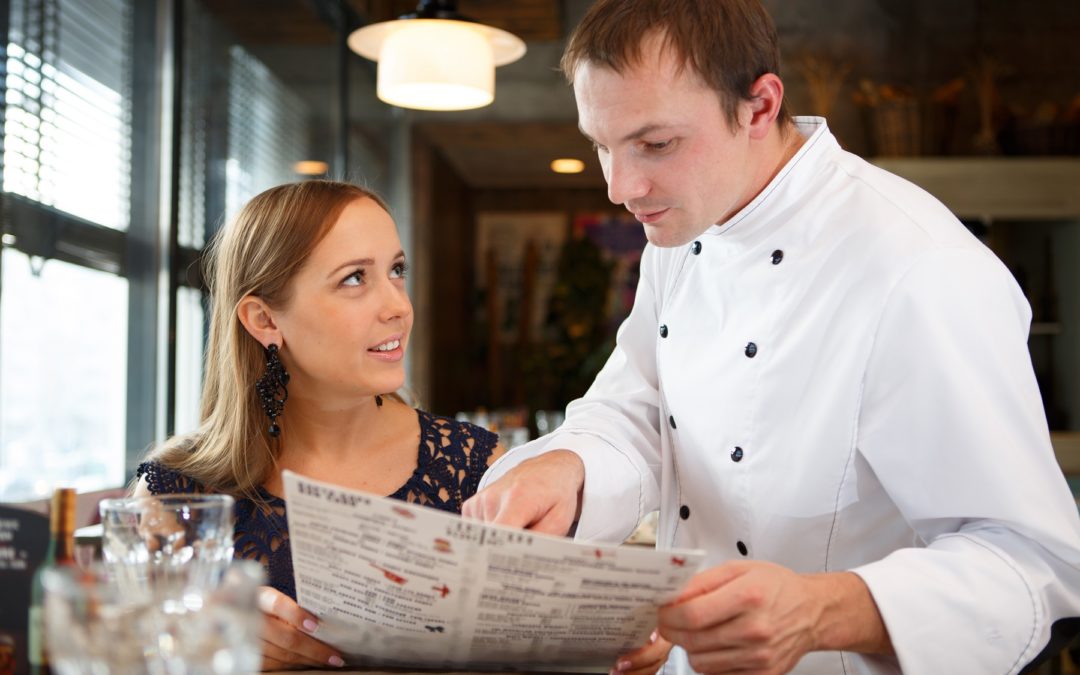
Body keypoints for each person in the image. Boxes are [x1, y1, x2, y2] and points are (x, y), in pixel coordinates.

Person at [463, 1, 1080, 673]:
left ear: (759, 105)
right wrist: (570, 466)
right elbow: (643, 403)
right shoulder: (683, 225)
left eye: (656, 143)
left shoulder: (922, 268)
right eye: (601, 144)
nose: (620, 186)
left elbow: (1035, 567)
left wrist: (820, 610)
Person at [133, 180, 504, 671]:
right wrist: (202, 644)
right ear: (264, 319)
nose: (399, 306)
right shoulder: (170, 496)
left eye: (397, 271)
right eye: (354, 279)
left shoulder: (479, 469)